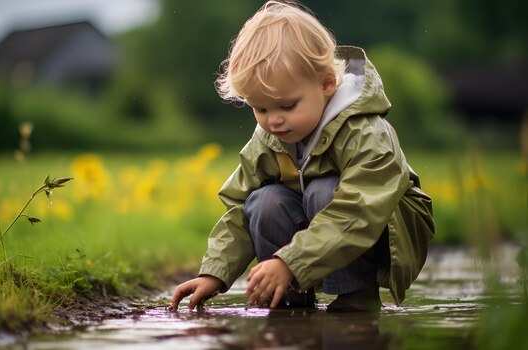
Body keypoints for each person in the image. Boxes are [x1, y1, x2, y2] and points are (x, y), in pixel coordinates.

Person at [170, 0, 433, 312]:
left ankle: (356, 297)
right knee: (262, 200)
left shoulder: (366, 134)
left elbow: (359, 213)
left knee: (324, 190)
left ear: (326, 84)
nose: (273, 120)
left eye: (287, 105)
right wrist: (214, 273)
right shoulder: (270, 138)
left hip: (381, 225)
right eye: (261, 108)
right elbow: (239, 209)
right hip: (314, 236)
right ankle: (286, 296)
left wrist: (290, 261)